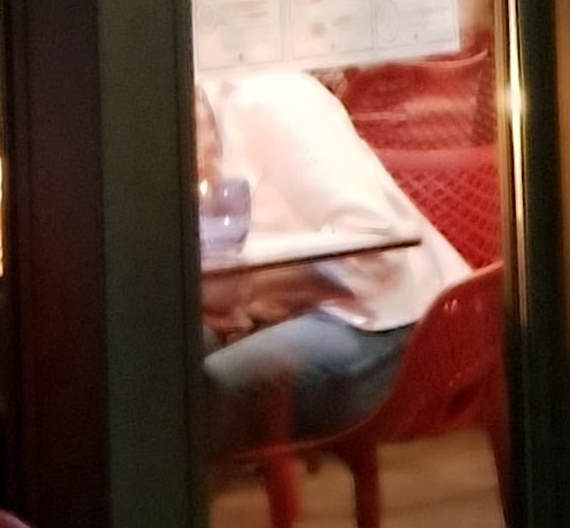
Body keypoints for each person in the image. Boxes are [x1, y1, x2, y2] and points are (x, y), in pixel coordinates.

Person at [198, 66, 468, 455]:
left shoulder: (279, 102)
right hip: (287, 314)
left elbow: (378, 247)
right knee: (144, 366)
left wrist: (248, 291)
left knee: (200, 393)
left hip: (393, 322)